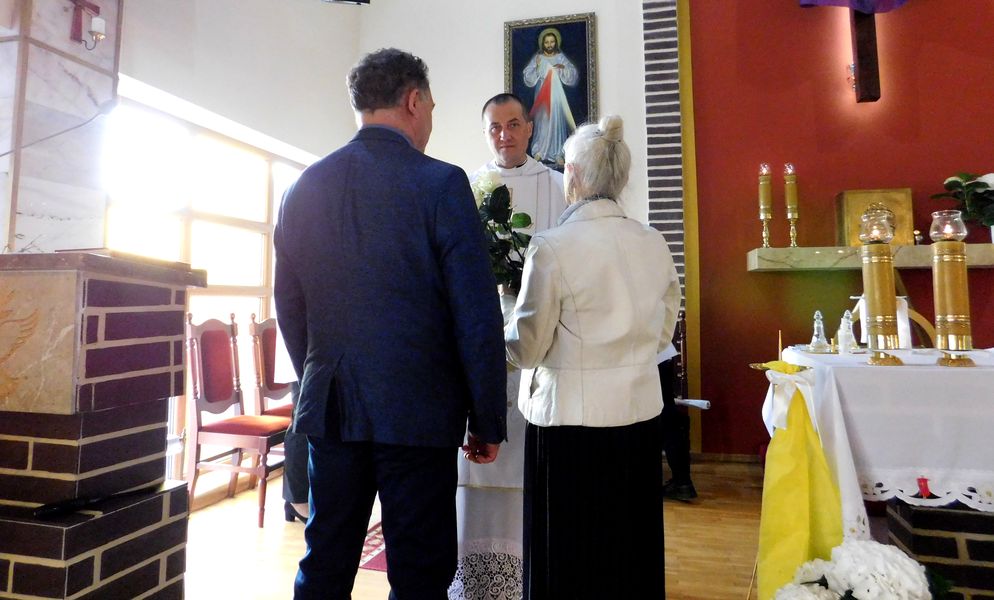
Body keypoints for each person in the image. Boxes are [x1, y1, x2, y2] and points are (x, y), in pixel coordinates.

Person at [274, 48, 508, 600]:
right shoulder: (441, 184)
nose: (431, 120)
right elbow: (475, 313)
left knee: (325, 560)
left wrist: (321, 375)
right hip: (420, 411)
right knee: (420, 570)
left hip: (333, 406)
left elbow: (289, 305)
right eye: (432, 107)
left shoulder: (303, 187)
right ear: (414, 100)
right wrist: (487, 418)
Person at [505, 114, 681, 599]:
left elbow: (528, 347)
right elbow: (662, 334)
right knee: (628, 548)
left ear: (574, 175)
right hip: (638, 419)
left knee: (570, 555)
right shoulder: (654, 242)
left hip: (569, 428)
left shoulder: (552, 247)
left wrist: (499, 327)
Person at [449, 93, 566, 600]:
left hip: (541, 338)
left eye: (513, 124)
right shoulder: (469, 190)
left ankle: (530, 568)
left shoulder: (557, 186)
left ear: (530, 128)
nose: (504, 135)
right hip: (483, 335)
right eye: (495, 127)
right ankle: (476, 574)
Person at [522, 28, 579, 165]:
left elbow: (572, 74)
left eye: (552, 42)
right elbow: (528, 75)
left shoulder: (560, 57)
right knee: (542, 120)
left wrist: (562, 68)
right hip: (542, 93)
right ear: (542, 43)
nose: (549, 45)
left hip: (557, 94)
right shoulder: (538, 58)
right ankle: (539, 151)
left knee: (556, 119)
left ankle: (557, 152)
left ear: (556, 42)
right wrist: (537, 67)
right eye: (546, 42)